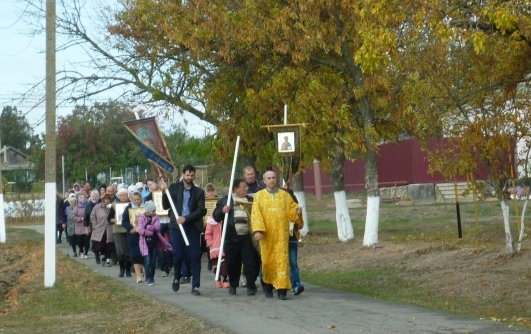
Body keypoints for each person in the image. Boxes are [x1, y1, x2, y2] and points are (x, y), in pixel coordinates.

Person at [251, 171, 301, 300]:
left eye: (274, 178)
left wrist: (297, 211)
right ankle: (268, 287)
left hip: (281, 235)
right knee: (267, 261)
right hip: (266, 235)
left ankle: (282, 290)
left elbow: (292, 211)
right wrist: (257, 230)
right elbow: (256, 214)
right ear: (264, 180)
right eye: (269, 178)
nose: (272, 180)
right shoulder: (259, 196)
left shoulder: (285, 196)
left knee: (282, 262)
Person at [161, 165, 207, 296]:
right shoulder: (174, 188)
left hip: (192, 227)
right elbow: (165, 206)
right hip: (176, 228)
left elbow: (201, 210)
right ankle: (176, 277)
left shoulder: (198, 192)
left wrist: (185, 218)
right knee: (178, 255)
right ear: (183, 174)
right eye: (187, 175)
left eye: (192, 175)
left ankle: (196, 285)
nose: (189, 178)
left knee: (195, 256)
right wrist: (165, 192)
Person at [213, 178, 260, 296]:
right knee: (233, 262)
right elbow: (216, 216)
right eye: (244, 187)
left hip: (248, 236)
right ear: (235, 189)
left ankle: (251, 285)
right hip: (231, 237)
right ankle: (233, 285)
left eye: (246, 187)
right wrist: (223, 211)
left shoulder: (251, 200)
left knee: (250, 261)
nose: (246, 189)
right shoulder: (226, 200)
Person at [137, 200, 172, 286]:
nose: (154, 212)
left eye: (154, 211)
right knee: (147, 260)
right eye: (152, 211)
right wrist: (150, 231)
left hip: (154, 242)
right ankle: (148, 277)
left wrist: (147, 228)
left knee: (153, 261)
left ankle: (152, 276)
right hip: (145, 243)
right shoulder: (141, 218)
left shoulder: (156, 217)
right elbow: (141, 231)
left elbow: (157, 228)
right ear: (147, 211)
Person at [281, 183, 305, 296]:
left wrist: (299, 216)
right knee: (280, 262)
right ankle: (280, 283)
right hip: (279, 240)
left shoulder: (296, 208)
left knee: (293, 262)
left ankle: (297, 284)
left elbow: (300, 226)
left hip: (291, 238)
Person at [107, 187, 133, 278]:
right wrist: (113, 220)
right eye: (121, 195)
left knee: (128, 250)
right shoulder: (115, 205)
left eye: (124, 195)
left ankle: (128, 269)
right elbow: (109, 218)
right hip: (118, 230)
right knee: (120, 250)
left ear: (127, 195)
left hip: (129, 229)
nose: (123, 197)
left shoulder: (131, 204)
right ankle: (122, 269)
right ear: (119, 196)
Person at [122, 191, 145, 283]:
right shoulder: (129, 208)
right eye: (134, 200)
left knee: (145, 255)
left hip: (145, 234)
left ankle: (147, 274)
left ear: (141, 199)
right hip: (133, 235)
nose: (136, 201)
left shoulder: (146, 206)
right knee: (135, 255)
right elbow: (124, 221)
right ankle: (138, 277)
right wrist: (131, 228)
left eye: (138, 199)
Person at [90, 194, 116, 267]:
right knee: (100, 244)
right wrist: (95, 225)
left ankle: (108, 259)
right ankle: (103, 255)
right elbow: (92, 217)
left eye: (108, 199)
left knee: (109, 244)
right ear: (103, 200)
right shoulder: (97, 207)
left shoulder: (112, 207)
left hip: (109, 228)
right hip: (100, 228)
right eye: (105, 199)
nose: (107, 201)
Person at [204, 214, 229, 289]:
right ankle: (218, 279)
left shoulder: (225, 220)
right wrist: (212, 243)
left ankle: (225, 279)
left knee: (224, 265)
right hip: (215, 247)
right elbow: (208, 234)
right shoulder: (211, 222)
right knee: (216, 265)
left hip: (224, 246)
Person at [84, 190, 101, 264]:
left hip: (102, 226)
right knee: (95, 242)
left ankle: (103, 255)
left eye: (96, 196)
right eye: (93, 196)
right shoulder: (88, 206)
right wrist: (86, 228)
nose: (95, 198)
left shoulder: (101, 204)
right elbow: (86, 218)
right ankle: (97, 256)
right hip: (93, 226)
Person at [71, 192, 89, 259]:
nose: (83, 199)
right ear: (79, 199)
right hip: (79, 226)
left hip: (87, 226)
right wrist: (80, 219)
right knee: (80, 241)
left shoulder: (88, 206)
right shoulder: (76, 207)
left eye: (84, 197)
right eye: (82, 198)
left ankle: (86, 253)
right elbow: (73, 216)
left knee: (86, 240)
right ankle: (81, 251)